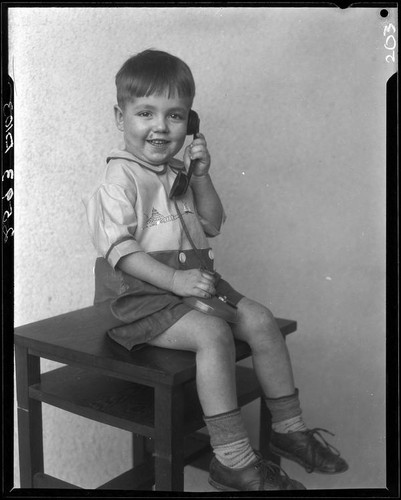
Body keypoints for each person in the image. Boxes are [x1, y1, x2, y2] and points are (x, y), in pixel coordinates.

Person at [84, 49, 348, 491]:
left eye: (175, 116)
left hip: (192, 283)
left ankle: (290, 431)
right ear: (120, 116)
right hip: (139, 297)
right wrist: (173, 280)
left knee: (261, 320)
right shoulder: (118, 181)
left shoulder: (178, 172)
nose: (160, 127)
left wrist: (201, 175)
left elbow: (212, 224)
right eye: (145, 113)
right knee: (212, 335)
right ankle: (232, 458)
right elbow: (121, 250)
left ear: (191, 123)